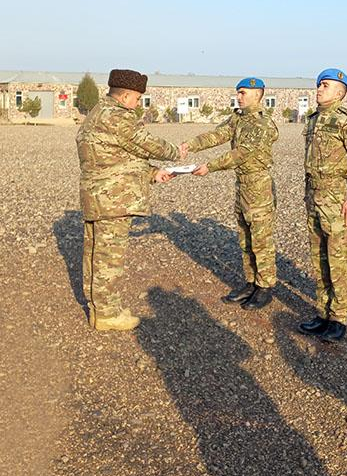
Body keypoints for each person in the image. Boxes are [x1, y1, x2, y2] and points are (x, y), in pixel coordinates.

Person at [76, 69, 179, 331]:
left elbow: (121, 155)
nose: (138, 105)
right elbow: (144, 142)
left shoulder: (99, 113)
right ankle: (107, 315)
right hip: (114, 200)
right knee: (108, 260)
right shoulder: (118, 116)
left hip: (101, 198)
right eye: (137, 99)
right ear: (125, 96)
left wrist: (154, 173)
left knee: (96, 256)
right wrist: (176, 152)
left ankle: (99, 308)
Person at [186, 77, 279, 310]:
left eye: (244, 93)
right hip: (242, 184)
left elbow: (241, 154)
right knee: (245, 237)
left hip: (258, 185)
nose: (239, 96)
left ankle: (265, 287)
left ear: (258, 95)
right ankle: (251, 282)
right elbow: (219, 135)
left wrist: (210, 166)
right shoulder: (238, 117)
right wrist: (192, 145)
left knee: (260, 238)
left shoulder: (261, 123)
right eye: (238, 92)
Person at [297, 69, 347, 342]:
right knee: (319, 258)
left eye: (325, 86)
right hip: (314, 197)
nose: (319, 89)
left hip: (337, 200)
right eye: (318, 85)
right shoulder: (314, 120)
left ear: (340, 92)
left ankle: (339, 317)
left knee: (338, 260)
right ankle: (323, 311)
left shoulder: (346, 122)